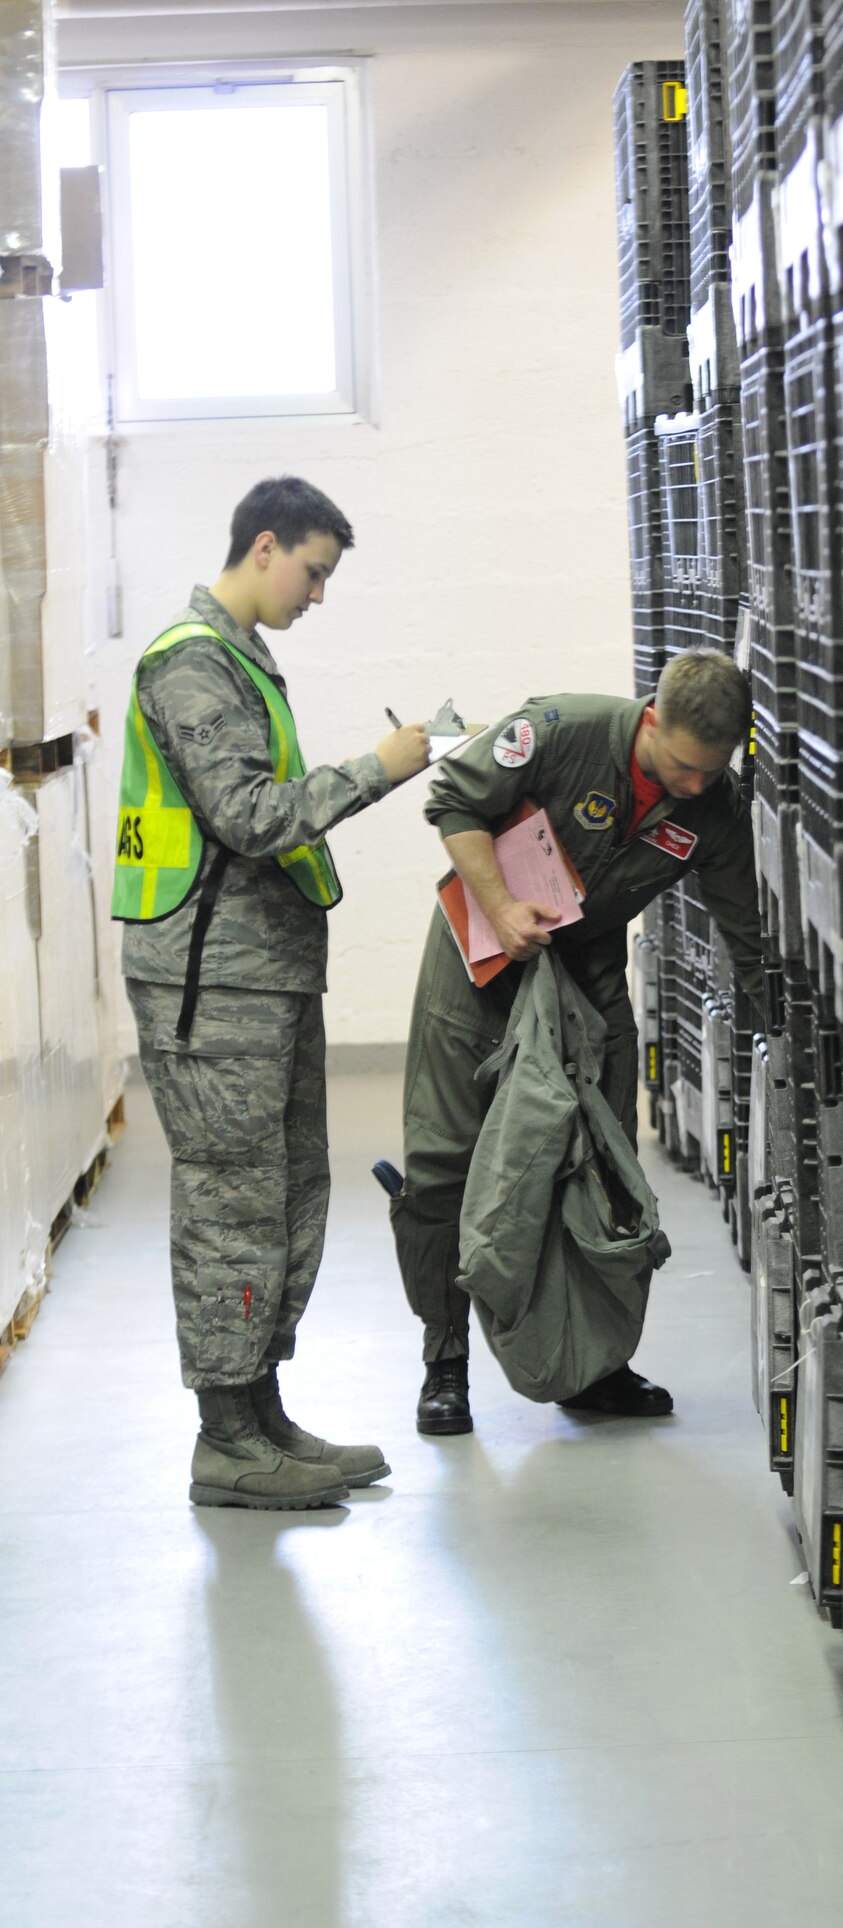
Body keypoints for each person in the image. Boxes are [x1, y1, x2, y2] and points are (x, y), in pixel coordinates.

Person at [114, 475, 431, 1510]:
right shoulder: (189, 663)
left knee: (288, 1191)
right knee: (231, 1204)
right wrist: (377, 768)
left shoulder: (241, 657)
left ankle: (261, 1410)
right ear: (263, 545)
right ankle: (225, 1440)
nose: (317, 594)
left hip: (264, 978)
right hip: (212, 988)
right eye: (313, 571)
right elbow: (250, 815)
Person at [391, 648, 765, 1435]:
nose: (695, 786)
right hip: (482, 957)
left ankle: (594, 1365)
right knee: (443, 1163)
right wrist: (500, 905)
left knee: (603, 1167)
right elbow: (453, 803)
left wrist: (780, 1031)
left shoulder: (713, 805)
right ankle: (444, 1362)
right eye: (684, 767)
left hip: (585, 970)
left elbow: (744, 932)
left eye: (712, 771)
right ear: (652, 720)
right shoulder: (561, 730)